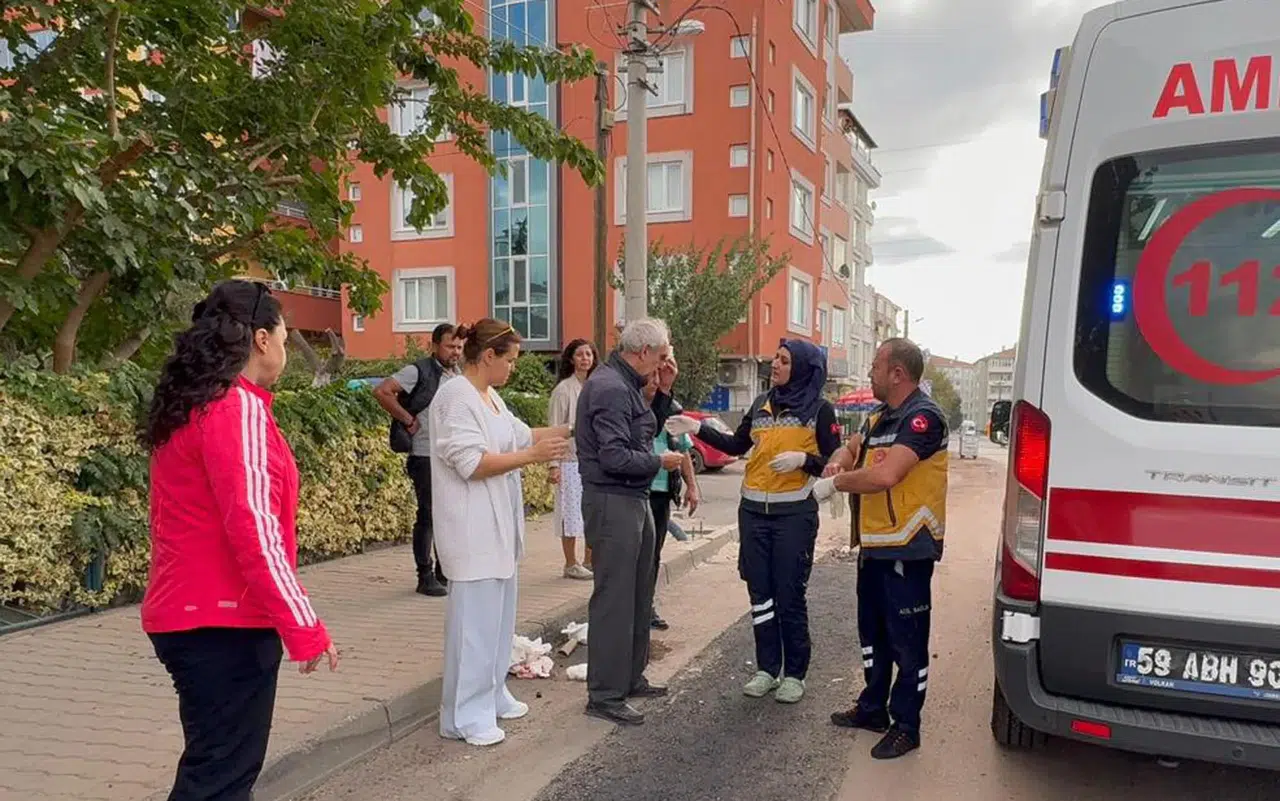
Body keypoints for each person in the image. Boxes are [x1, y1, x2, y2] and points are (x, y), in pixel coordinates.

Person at [140, 280, 339, 801]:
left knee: (212, 768)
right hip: (226, 621)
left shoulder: (190, 408)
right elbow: (256, 529)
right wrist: (303, 623)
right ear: (260, 339)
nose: (285, 345)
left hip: (186, 615)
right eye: (283, 332)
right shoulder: (237, 407)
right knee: (221, 779)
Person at [666, 339, 840, 704]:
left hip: (793, 514)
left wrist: (803, 460)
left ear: (803, 369)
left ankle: (794, 673)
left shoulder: (820, 410)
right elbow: (735, 446)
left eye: (784, 360)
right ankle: (766, 668)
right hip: (753, 513)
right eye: (775, 358)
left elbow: (834, 461)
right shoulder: (762, 404)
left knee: (789, 594)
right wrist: (696, 429)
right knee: (760, 594)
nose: (774, 365)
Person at [429, 318, 571, 747]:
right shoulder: (455, 396)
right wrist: (532, 456)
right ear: (487, 356)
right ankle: (465, 715)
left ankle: (490, 695)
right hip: (470, 532)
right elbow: (471, 463)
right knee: (473, 629)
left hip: (498, 532)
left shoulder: (489, 396)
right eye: (508, 360)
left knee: (496, 625)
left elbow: (525, 435)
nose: (512, 368)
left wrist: (579, 427)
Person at [814, 337, 949, 760]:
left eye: (875, 365)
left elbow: (887, 475)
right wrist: (838, 460)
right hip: (874, 547)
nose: (870, 372)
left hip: (908, 549)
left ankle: (907, 725)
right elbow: (852, 449)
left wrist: (834, 483)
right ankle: (873, 708)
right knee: (873, 635)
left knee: (908, 643)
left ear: (897, 373)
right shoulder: (877, 418)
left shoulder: (924, 419)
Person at [575, 318, 681, 725]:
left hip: (632, 498)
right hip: (612, 499)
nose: (664, 361)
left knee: (639, 593)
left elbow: (644, 428)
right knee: (615, 599)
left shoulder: (627, 386)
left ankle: (630, 677)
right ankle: (604, 694)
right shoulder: (609, 388)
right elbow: (615, 456)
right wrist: (660, 461)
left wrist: (665, 390)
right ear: (641, 352)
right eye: (661, 354)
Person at [373, 323, 463, 596]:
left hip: (449, 454)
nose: (455, 352)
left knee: (448, 514)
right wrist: (407, 419)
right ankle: (425, 575)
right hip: (424, 454)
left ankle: (444, 572)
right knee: (428, 514)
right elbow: (382, 391)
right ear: (435, 345)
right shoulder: (419, 370)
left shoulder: (457, 374)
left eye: (459, 347)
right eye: (450, 346)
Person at [641, 362, 699, 631]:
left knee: (653, 553)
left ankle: (646, 604)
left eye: (659, 376)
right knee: (635, 552)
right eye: (651, 375)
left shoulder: (672, 411)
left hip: (663, 491)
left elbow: (684, 449)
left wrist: (692, 485)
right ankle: (632, 605)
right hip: (638, 489)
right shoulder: (634, 407)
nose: (655, 380)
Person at [548, 338, 599, 580]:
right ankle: (571, 562)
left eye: (588, 354)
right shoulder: (563, 390)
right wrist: (553, 464)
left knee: (592, 511)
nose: (585, 359)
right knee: (570, 513)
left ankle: (590, 559)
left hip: (593, 460)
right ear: (571, 358)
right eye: (580, 354)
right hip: (569, 460)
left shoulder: (597, 386)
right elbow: (554, 428)